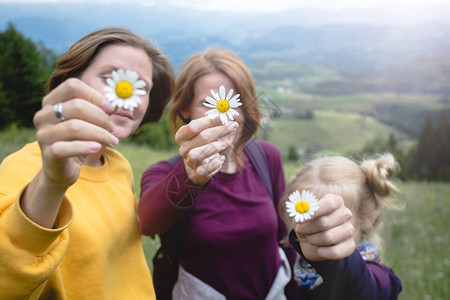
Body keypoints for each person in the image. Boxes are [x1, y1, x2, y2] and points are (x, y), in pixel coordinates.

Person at [138, 48, 355, 300]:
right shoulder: (164, 173)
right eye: (209, 103)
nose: (223, 113)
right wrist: (191, 175)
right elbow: (147, 222)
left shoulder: (266, 158)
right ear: (185, 109)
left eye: (235, 102)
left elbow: (282, 239)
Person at [0, 27, 175, 299]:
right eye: (110, 77)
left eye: (143, 87)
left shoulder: (119, 165)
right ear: (72, 81)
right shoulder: (20, 170)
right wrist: (51, 184)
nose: (128, 95)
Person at [282, 153, 403, 299]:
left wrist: (334, 258)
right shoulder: (289, 268)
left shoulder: (380, 278)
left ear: (368, 219)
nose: (315, 225)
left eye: (331, 216)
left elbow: (361, 286)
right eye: (304, 216)